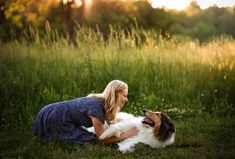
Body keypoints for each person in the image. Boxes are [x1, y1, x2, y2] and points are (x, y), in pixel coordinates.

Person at [32, 80, 138, 144]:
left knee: (86, 136)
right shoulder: (97, 106)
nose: (126, 99)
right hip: (54, 116)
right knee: (90, 141)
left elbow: (113, 126)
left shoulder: (103, 104)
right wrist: (127, 135)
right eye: (124, 95)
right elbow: (102, 139)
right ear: (115, 93)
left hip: (53, 111)